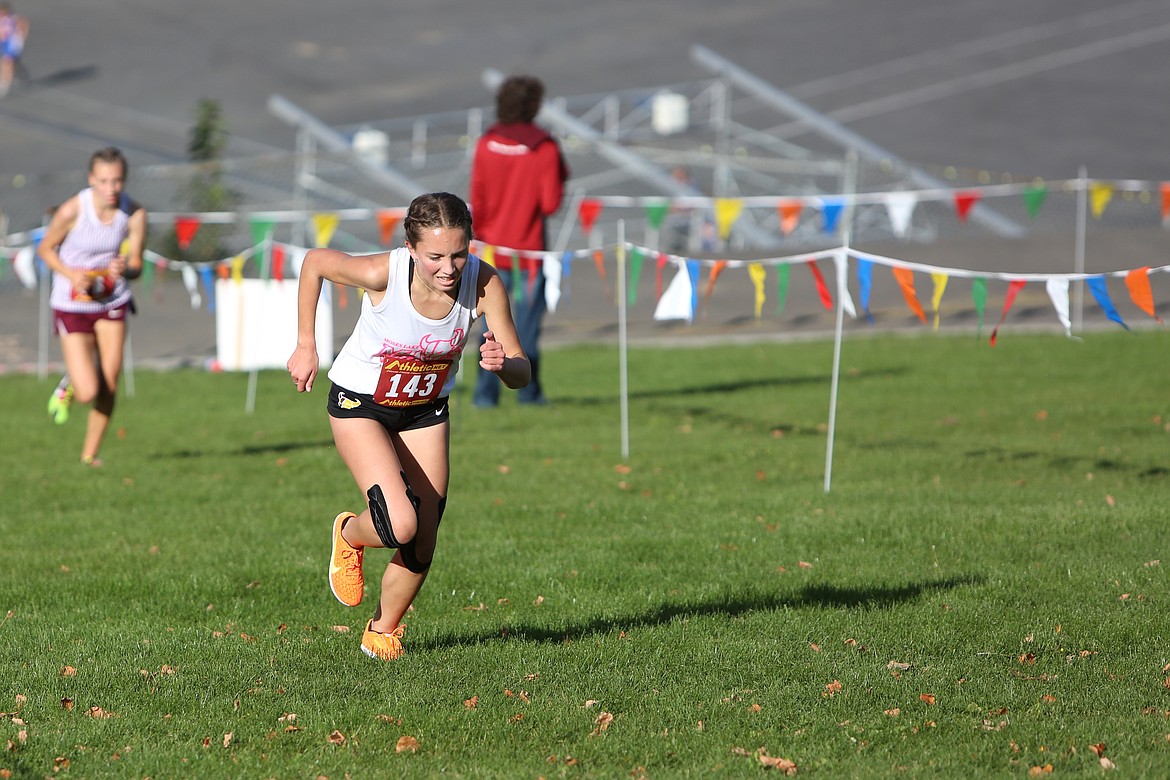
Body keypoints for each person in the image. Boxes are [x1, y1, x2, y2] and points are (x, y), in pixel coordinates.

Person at [287, 192, 530, 661]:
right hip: (362, 403)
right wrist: (305, 344)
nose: (449, 268)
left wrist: (504, 366)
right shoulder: (385, 273)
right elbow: (315, 262)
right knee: (400, 522)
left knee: (425, 531)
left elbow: (523, 371)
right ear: (411, 248)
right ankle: (350, 535)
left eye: (459, 253)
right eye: (435, 256)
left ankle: (382, 632)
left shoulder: (484, 284)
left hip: (424, 410)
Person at [38, 147, 147, 467]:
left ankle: (90, 455)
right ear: (91, 180)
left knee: (110, 384)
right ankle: (70, 383)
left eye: (117, 181)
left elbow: (138, 265)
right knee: (87, 391)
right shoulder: (73, 210)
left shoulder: (135, 213)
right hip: (72, 303)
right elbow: (45, 249)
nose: (111, 188)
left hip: (112, 300)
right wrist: (73, 275)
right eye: (104, 181)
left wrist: (125, 268)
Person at [469, 74, 568, 407]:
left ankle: (484, 397)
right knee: (524, 331)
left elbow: (477, 202)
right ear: (534, 105)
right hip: (528, 253)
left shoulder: (486, 143)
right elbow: (551, 203)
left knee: (489, 330)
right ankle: (529, 395)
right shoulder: (544, 147)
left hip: (490, 251)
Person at [0, 2, 29, 97]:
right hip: (4, 42)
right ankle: (18, 72)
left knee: (7, 62)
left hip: (11, 43)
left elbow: (24, 24)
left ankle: (4, 85)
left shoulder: (13, 18)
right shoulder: (1, 18)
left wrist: (22, 37)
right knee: (10, 62)